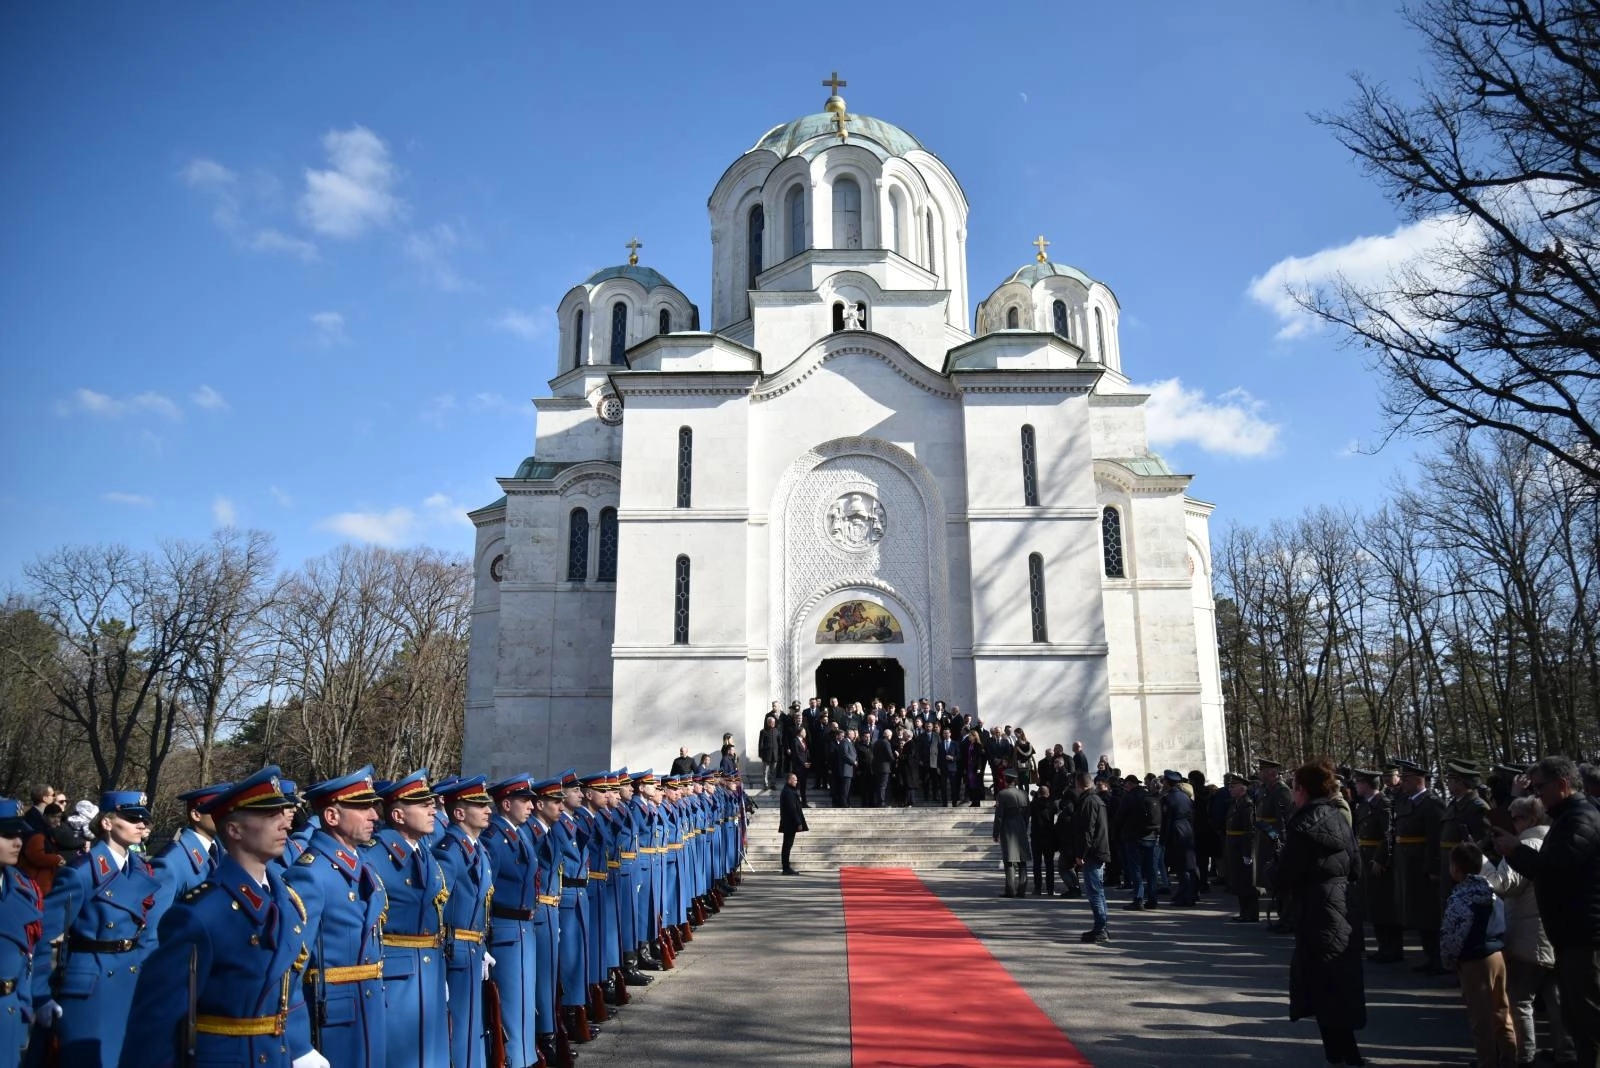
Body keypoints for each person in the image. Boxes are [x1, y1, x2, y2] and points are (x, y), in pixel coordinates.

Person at [118, 768, 323, 1068]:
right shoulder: (199, 914)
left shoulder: (286, 901)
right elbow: (156, 1023)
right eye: (268, 815)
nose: (283, 822)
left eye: (282, 811)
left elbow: (285, 988)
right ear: (234, 830)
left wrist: (300, 1046)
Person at [31, 790, 162, 1068]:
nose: (142, 825)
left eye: (145, 820)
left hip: (130, 978)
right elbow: (42, 934)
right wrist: (40, 995)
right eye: (132, 818)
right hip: (91, 986)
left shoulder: (139, 869)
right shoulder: (81, 872)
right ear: (106, 822)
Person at [1490, 755, 1600, 1066]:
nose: (1537, 796)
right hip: (1570, 933)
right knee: (1574, 1016)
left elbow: (1556, 870)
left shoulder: (1580, 819)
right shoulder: (1568, 817)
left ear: (1562, 785)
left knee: (1588, 1019)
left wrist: (1516, 851)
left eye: (1540, 789)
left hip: (1584, 935)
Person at [282, 768, 388, 1068]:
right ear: (331, 816)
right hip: (332, 1020)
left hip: (369, 1010)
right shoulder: (309, 875)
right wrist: (297, 1043)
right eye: (362, 807)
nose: (374, 815)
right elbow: (288, 969)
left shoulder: (364, 865)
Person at [1269, 761, 1367, 1068]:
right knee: (1339, 980)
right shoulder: (1340, 816)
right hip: (1343, 904)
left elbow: (1286, 875)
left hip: (1316, 906)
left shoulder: (1303, 825)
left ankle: (1342, 1056)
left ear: (1302, 790)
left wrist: (1273, 869)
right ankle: (1343, 1052)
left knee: (1322, 983)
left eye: (1296, 787)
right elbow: (1356, 867)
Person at [363, 770, 449, 1068]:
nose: (432, 809)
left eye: (431, 803)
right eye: (423, 805)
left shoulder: (423, 852)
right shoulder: (372, 857)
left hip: (431, 969)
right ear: (398, 814)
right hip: (396, 975)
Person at [1482, 795, 1574, 1065]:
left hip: (1528, 934)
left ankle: (1525, 1055)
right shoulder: (1555, 839)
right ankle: (1565, 1052)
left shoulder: (1526, 844)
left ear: (1530, 819)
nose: (1512, 823)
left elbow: (1502, 884)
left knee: (1520, 1000)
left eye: (1516, 817)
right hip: (1553, 932)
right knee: (1555, 997)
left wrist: (1483, 864)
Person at [1440, 842, 1517, 1067]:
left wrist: (1449, 960)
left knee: (1480, 1018)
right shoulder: (1490, 891)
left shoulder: (1460, 897)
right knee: (1502, 1011)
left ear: (1455, 869)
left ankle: (1487, 1061)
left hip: (1474, 960)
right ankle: (1510, 1057)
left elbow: (1453, 935)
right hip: (1497, 955)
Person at [1392, 758, 1449, 974]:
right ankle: (1429, 956)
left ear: (1418, 780)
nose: (1402, 783)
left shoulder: (1431, 803)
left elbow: (1435, 840)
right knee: (1418, 913)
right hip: (1408, 866)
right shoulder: (1408, 802)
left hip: (1423, 868)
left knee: (1429, 914)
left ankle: (1437, 958)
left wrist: (1434, 868)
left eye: (1406, 779)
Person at [0, 799, 42, 1068]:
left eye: (19, 835)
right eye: (7, 835)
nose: (18, 842)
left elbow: (28, 955)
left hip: (9, 1012)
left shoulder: (23, 887)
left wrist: (25, 1004)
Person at [1350, 769, 1402, 963]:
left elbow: (1388, 834)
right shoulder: (1365, 805)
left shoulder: (1384, 804)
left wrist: (1381, 859)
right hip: (1366, 857)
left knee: (1385, 905)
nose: (1356, 786)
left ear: (1367, 784)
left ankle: (1393, 949)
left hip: (1379, 861)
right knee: (1374, 905)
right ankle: (1383, 947)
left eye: (1359, 782)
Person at [1071, 772, 1111, 943]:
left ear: (1080, 785)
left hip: (1093, 852)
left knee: (1094, 892)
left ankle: (1100, 927)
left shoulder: (1088, 802)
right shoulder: (1096, 800)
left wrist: (1081, 854)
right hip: (1099, 850)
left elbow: (1088, 830)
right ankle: (1101, 926)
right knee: (1098, 891)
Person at [1222, 773, 1259, 923]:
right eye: (1230, 786)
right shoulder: (1235, 803)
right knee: (1238, 880)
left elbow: (1249, 830)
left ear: (1242, 788)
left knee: (1247, 881)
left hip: (1242, 847)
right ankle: (1244, 911)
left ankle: (1251, 913)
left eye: (1233, 786)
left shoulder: (1247, 805)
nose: (1230, 789)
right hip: (1233, 846)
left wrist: (1247, 852)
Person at [1160, 770, 1199, 906]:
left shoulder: (1168, 798)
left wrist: (1163, 840)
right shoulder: (1185, 796)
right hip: (1187, 831)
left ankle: (1186, 897)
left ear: (1167, 782)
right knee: (1187, 865)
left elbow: (1166, 820)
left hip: (1176, 832)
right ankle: (1185, 893)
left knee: (1183, 867)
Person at [993, 770, 1029, 898]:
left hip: (1008, 828)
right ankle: (1022, 889)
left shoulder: (1002, 794)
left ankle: (1010, 890)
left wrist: (995, 833)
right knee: (1022, 860)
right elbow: (1027, 814)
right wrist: (1025, 826)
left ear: (1006, 780)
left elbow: (999, 816)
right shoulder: (1024, 794)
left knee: (1009, 860)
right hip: (1021, 827)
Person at [1030, 782, 1057, 896]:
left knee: (1037, 864)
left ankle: (1038, 888)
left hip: (1036, 836)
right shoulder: (1052, 804)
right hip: (1049, 836)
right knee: (1049, 864)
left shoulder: (1033, 804)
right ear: (1048, 793)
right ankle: (1050, 888)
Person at [778, 773, 807, 876]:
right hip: (789, 823)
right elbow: (792, 809)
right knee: (787, 846)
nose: (796, 781)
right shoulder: (788, 792)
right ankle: (786, 867)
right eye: (794, 780)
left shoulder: (789, 790)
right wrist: (798, 822)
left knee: (787, 845)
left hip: (789, 823)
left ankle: (786, 867)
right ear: (789, 780)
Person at [758, 715, 783, 791]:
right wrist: (760, 754)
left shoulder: (777, 731)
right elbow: (761, 743)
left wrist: (780, 754)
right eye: (771, 722)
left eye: (774, 722)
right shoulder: (763, 731)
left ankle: (773, 784)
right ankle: (765, 785)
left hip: (775, 754)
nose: (773, 724)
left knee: (773, 771)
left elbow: (780, 743)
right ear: (768, 723)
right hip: (766, 755)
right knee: (765, 771)